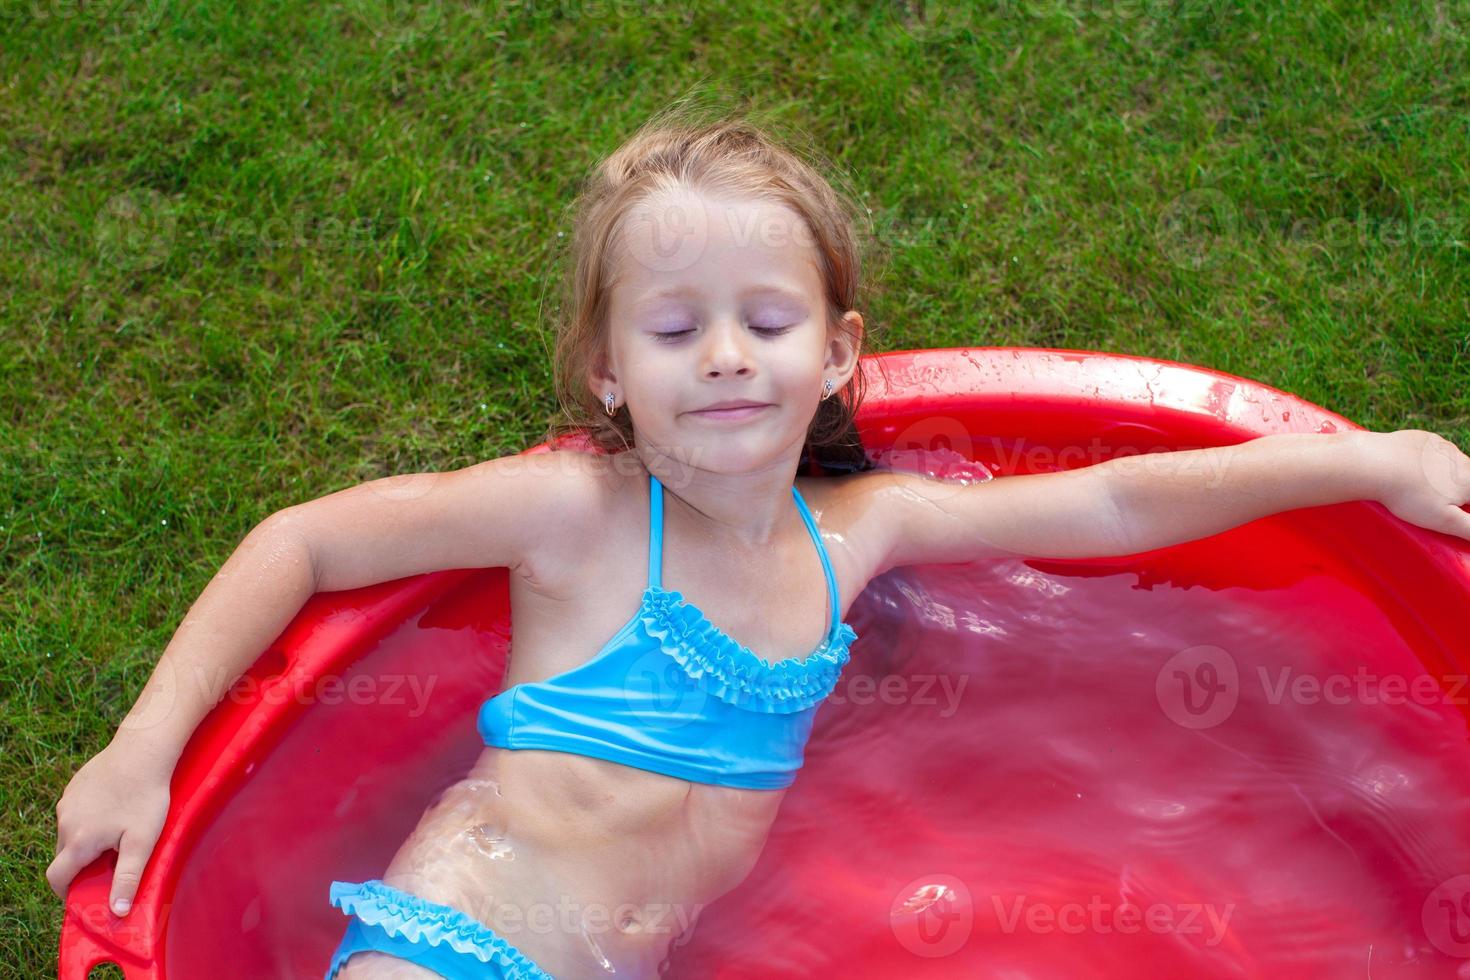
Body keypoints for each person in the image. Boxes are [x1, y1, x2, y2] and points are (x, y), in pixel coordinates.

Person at [47, 99, 1470, 979]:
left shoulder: (860, 531)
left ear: (840, 354)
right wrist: (143, 750)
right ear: (607, 369)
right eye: (673, 330)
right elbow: (302, 541)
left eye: (767, 323)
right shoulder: (579, 513)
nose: (723, 357)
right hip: (463, 938)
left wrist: (1362, 465)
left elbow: (1109, 503)